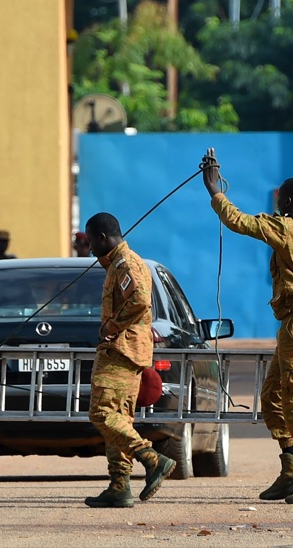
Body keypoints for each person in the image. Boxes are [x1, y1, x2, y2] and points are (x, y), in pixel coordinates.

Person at [200, 148, 293, 504]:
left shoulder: (287, 229)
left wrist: (215, 190)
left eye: (281, 199)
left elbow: (240, 222)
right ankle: (291, 471)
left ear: (288, 201)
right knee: (272, 397)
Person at [82, 212, 174, 508]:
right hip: (126, 350)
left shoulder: (126, 263)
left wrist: (112, 327)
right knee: (119, 419)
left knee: (101, 414)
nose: (90, 248)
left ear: (102, 238)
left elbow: (140, 300)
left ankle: (151, 458)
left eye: (91, 241)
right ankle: (119, 485)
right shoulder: (116, 264)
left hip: (121, 350)